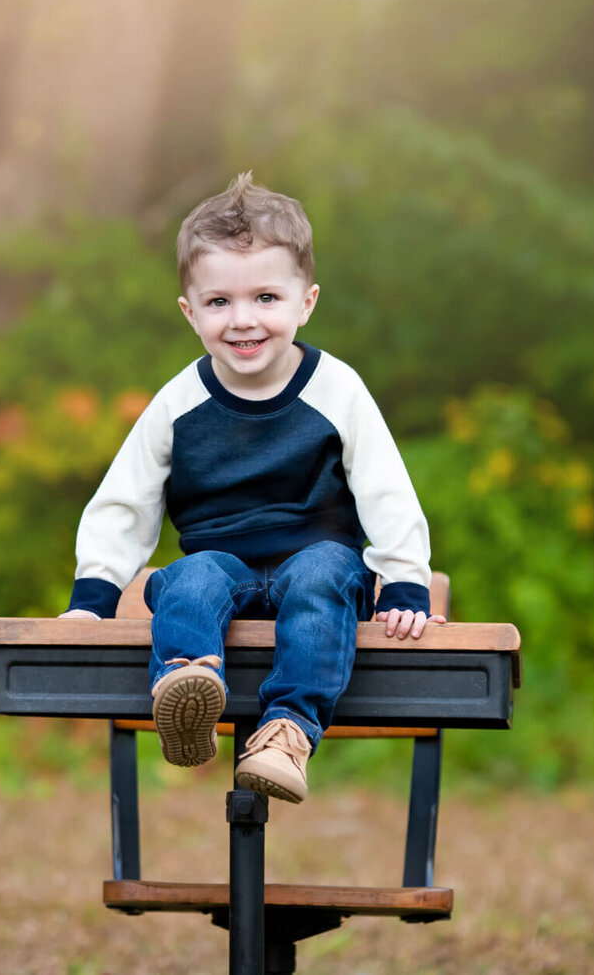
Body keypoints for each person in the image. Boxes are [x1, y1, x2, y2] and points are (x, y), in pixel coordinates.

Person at [60, 172, 443, 803]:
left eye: (266, 298)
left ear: (306, 302)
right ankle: (185, 688)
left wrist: (406, 584)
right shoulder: (179, 403)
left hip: (317, 563)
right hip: (221, 568)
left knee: (322, 573)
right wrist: (93, 598)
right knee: (189, 578)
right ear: (190, 312)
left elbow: (387, 492)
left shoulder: (337, 389)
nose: (243, 321)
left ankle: (286, 734)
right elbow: (123, 503)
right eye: (219, 303)